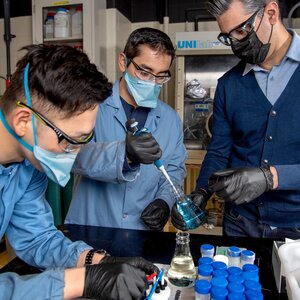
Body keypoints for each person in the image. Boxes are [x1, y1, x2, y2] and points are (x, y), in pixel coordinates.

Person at [0, 44, 159, 300]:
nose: (74, 152)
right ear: (23, 121)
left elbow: (37, 240)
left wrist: (99, 262)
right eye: (69, 140)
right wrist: (80, 282)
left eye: (84, 140)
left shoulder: (27, 166)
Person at [171, 0, 300, 239]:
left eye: (241, 31)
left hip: (295, 227)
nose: (236, 45)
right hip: (239, 222)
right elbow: (219, 152)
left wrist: (271, 177)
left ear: (271, 13)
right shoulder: (229, 85)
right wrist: (201, 192)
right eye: (227, 37)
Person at [65, 27, 187, 231]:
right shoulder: (90, 105)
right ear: (123, 61)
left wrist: (164, 201)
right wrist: (123, 155)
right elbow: (71, 155)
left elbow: (173, 171)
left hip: (140, 232)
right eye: (145, 72)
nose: (152, 82)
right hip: (91, 227)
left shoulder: (170, 119)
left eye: (161, 76)